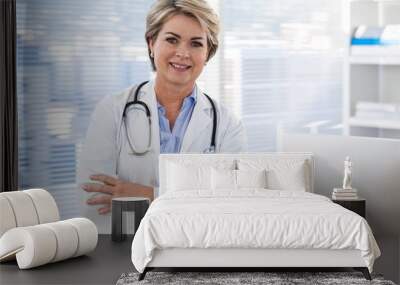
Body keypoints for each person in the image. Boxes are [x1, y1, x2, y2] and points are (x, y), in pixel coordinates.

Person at [77, 0, 247, 233]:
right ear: (151, 43)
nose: (183, 53)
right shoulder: (113, 111)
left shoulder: (227, 125)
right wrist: (190, 199)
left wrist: (147, 195)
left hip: (196, 248)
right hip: (125, 244)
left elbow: (228, 202)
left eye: (196, 44)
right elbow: (96, 194)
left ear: (207, 53)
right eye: (172, 39)